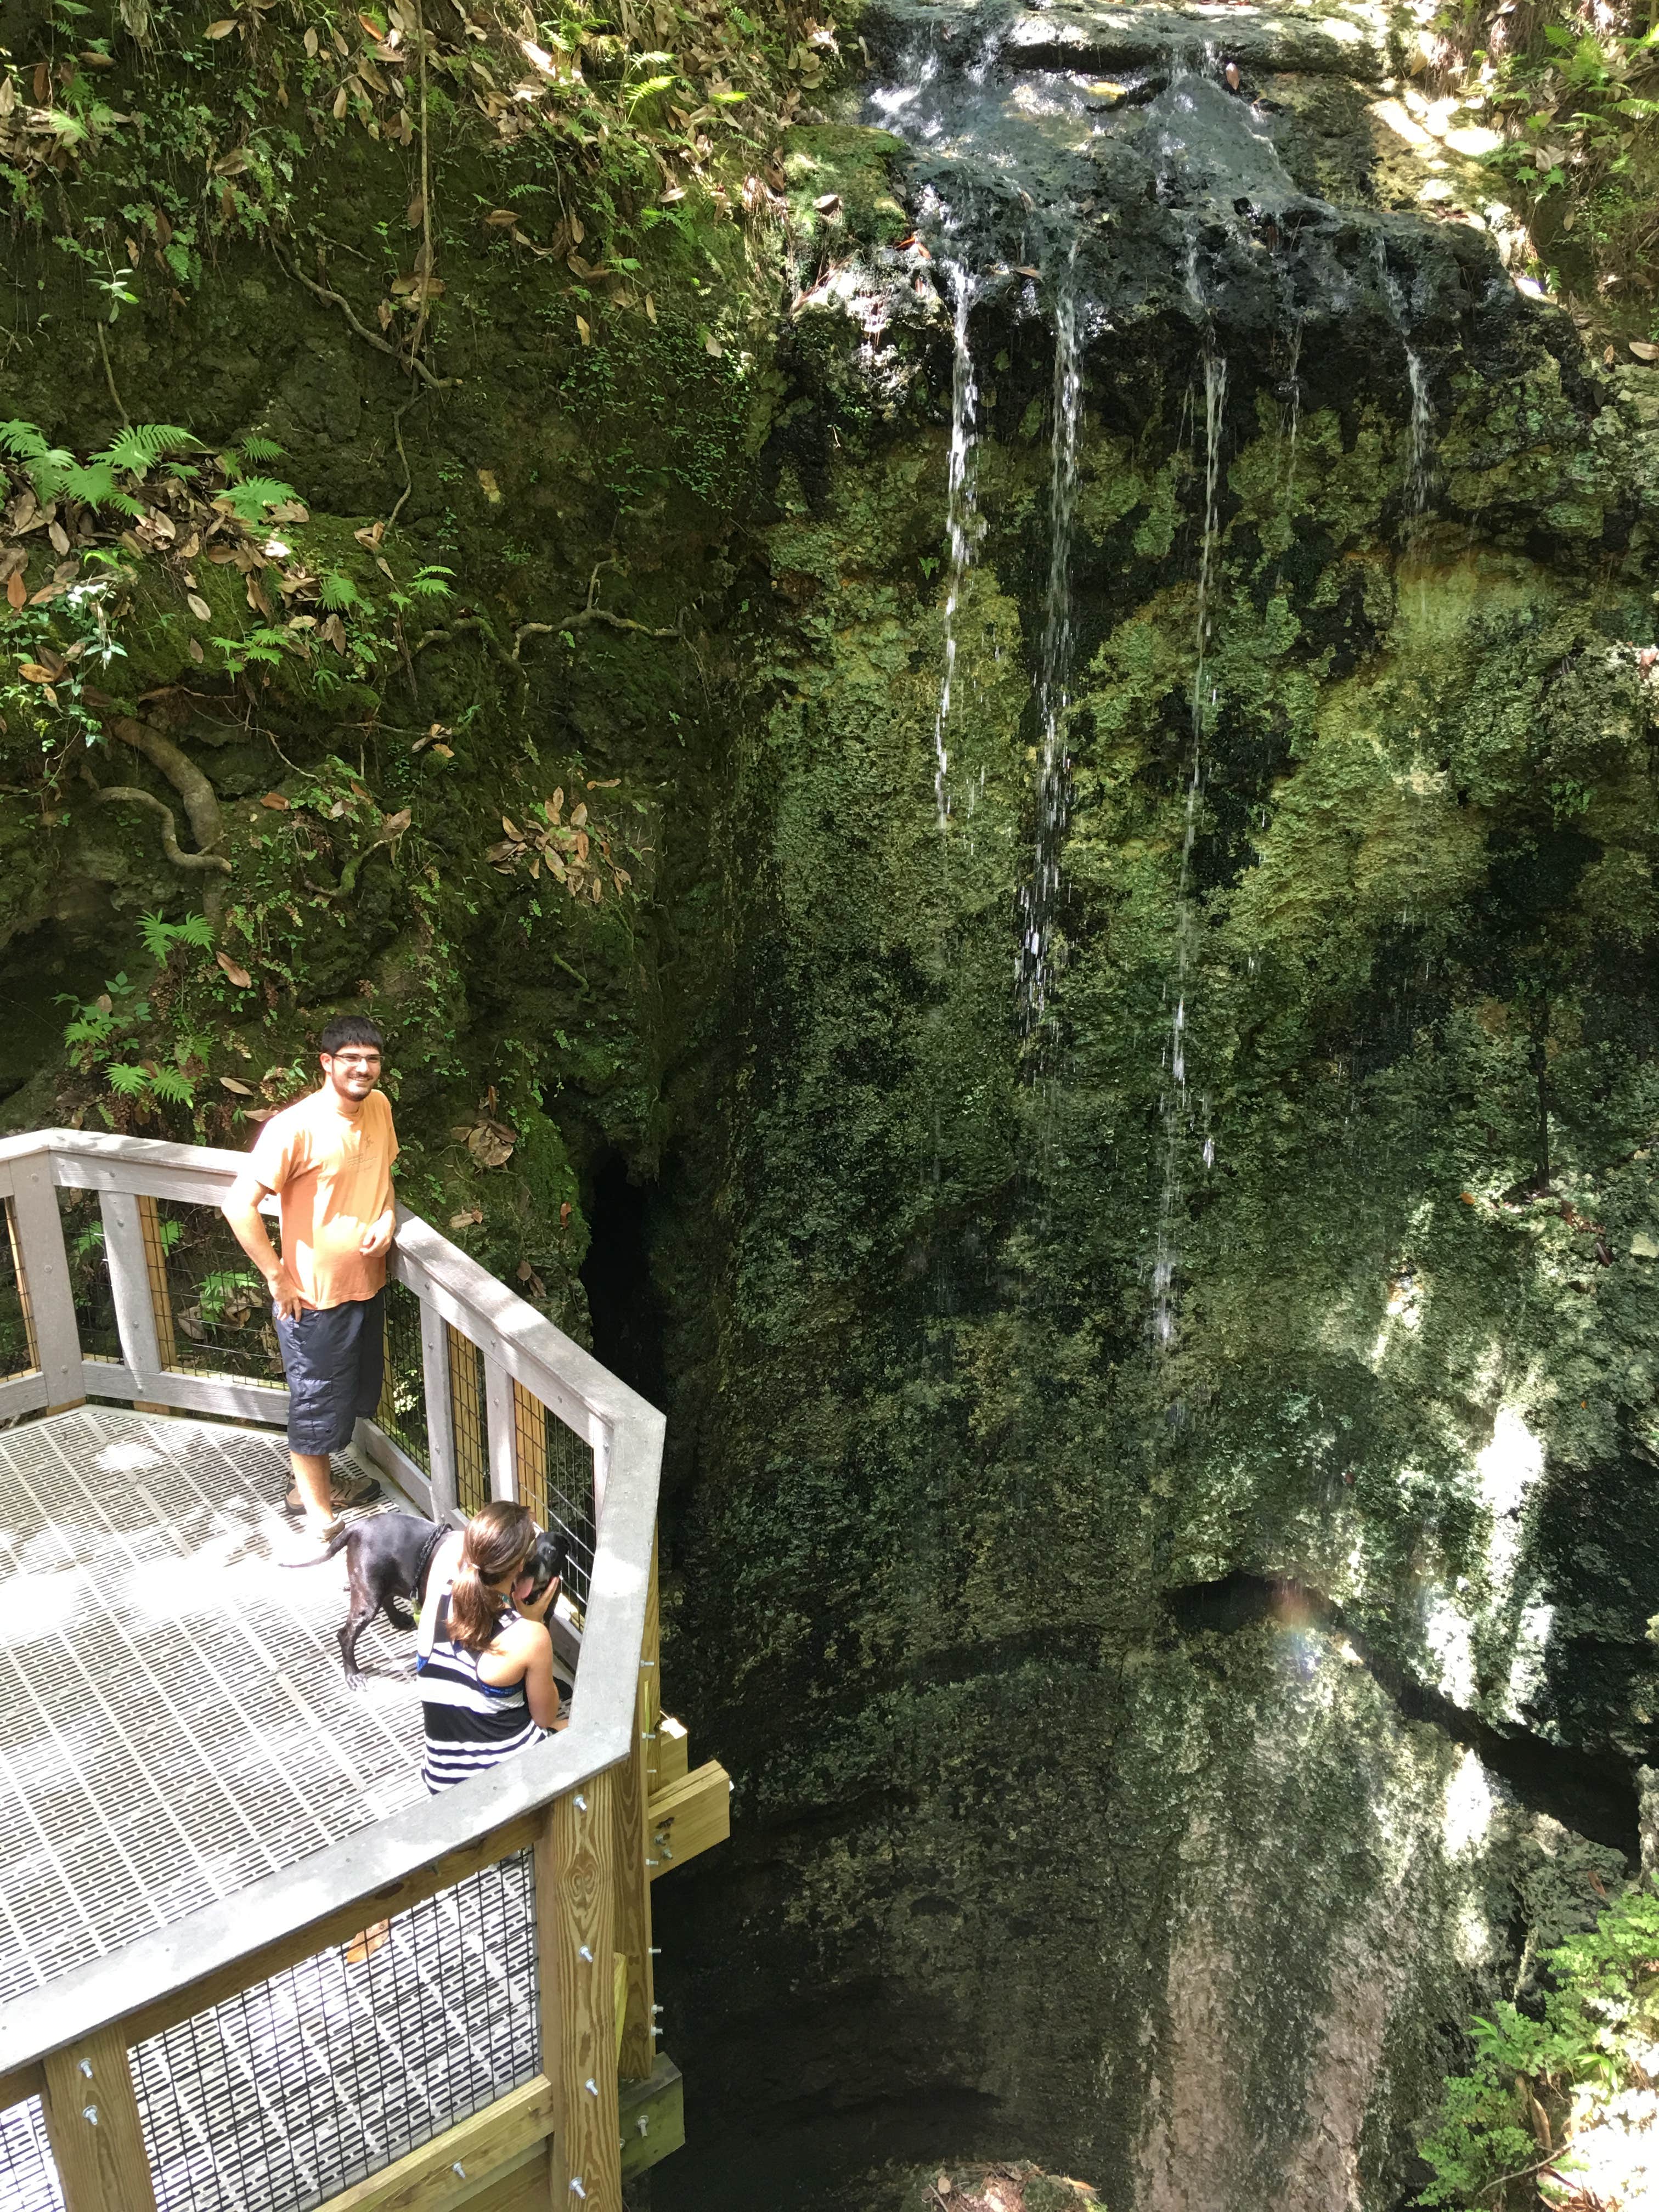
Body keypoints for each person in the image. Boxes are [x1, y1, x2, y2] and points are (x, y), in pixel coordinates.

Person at [222, 1015, 397, 1541]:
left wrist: (386, 1219)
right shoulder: (295, 1127)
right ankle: (320, 1517)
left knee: (352, 1395)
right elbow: (238, 1205)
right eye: (351, 1059)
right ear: (327, 1063)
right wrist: (277, 1278)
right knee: (317, 1400)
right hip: (313, 1298)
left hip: (368, 1283)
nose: (363, 1069)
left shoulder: (380, 1108)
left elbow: (383, 1177)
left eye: (371, 1059)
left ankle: (309, 1489)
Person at [416, 1501, 567, 1793]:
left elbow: (456, 1546)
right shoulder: (530, 1636)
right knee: (586, 1728)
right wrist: (531, 1622)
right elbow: (546, 1717)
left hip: (441, 1779)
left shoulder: (437, 1596)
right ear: (521, 1565)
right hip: (503, 1783)